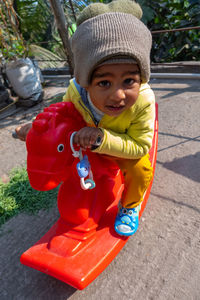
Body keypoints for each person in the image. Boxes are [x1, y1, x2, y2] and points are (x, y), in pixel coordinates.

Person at [15, 0, 155, 237]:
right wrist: (39, 129)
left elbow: (141, 145)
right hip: (86, 145)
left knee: (141, 170)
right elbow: (64, 114)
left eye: (129, 80)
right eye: (104, 82)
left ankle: (130, 205)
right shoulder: (76, 92)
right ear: (85, 81)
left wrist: (103, 139)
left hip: (124, 146)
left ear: (140, 78)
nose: (118, 95)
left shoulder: (142, 101)